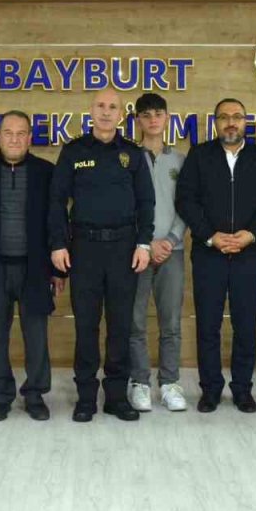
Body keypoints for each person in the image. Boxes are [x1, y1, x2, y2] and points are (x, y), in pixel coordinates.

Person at [49, 88, 154, 423]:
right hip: (84, 249)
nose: (106, 112)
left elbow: (146, 203)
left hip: (124, 250)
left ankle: (115, 397)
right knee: (86, 325)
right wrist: (57, 243)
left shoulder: (133, 154)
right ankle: (85, 398)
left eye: (113, 107)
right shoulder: (74, 151)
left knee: (120, 325)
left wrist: (144, 243)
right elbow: (55, 201)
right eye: (100, 106)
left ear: (121, 114)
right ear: (90, 110)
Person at [176, 97, 256, 414]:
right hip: (210, 255)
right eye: (224, 117)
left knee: (245, 325)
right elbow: (186, 200)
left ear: (246, 122)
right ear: (216, 122)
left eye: (237, 116)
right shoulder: (200, 155)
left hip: (248, 255)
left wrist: (250, 235)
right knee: (208, 326)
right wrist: (211, 236)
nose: (231, 122)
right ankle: (210, 390)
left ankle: (242, 389)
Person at [0, 110, 61, 422]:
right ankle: (1, 395)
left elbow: (58, 222)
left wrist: (59, 270)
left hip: (36, 268)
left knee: (36, 338)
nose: (15, 139)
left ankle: (35, 395)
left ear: (30, 138)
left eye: (21, 133)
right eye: (9, 132)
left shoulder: (47, 172)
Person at [128, 93, 189, 413]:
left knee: (171, 322)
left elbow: (187, 205)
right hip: (137, 253)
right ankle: (139, 382)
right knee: (134, 321)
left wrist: (170, 239)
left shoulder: (179, 161)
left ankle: (169, 383)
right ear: (138, 120)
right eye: (146, 114)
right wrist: (146, 243)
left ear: (167, 118)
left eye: (158, 114)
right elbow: (125, 206)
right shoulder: (126, 158)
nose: (153, 119)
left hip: (172, 252)